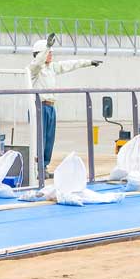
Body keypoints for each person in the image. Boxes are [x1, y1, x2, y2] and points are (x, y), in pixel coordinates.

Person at [28, 33, 102, 177]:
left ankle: (44, 167)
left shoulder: (51, 68)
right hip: (39, 106)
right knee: (40, 138)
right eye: (49, 53)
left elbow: (69, 64)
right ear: (40, 54)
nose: (51, 55)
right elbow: (37, 63)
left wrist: (89, 62)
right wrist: (47, 46)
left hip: (50, 106)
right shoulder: (34, 69)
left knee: (49, 138)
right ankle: (38, 169)